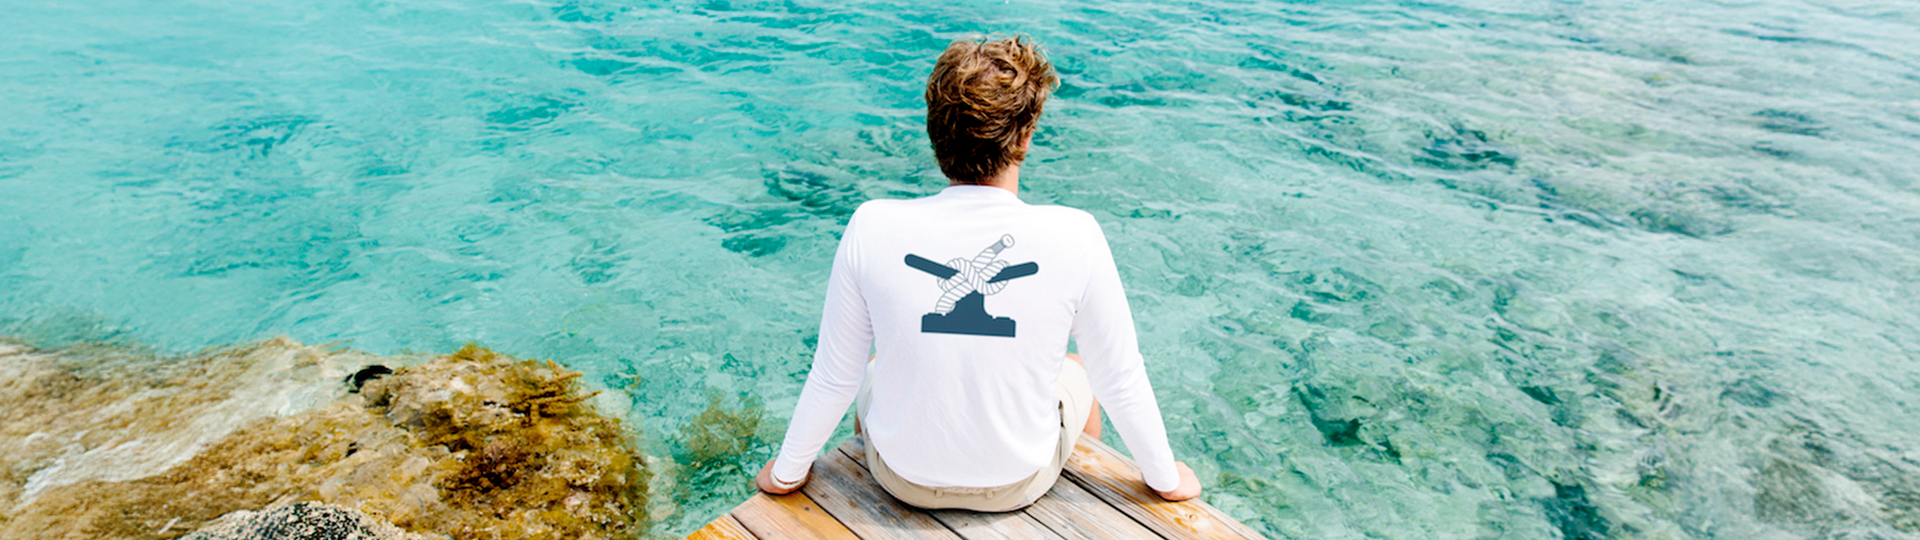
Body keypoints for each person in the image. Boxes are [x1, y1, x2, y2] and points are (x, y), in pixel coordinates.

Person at [754, 35, 1202, 511]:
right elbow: (1119, 377)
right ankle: (1074, 494)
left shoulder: (871, 224)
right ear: (1025, 137)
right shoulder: (1076, 234)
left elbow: (834, 375)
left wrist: (786, 472)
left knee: (875, 365)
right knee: (1083, 370)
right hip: (1019, 484)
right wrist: (1165, 477)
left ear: (935, 134)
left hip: (900, 481)